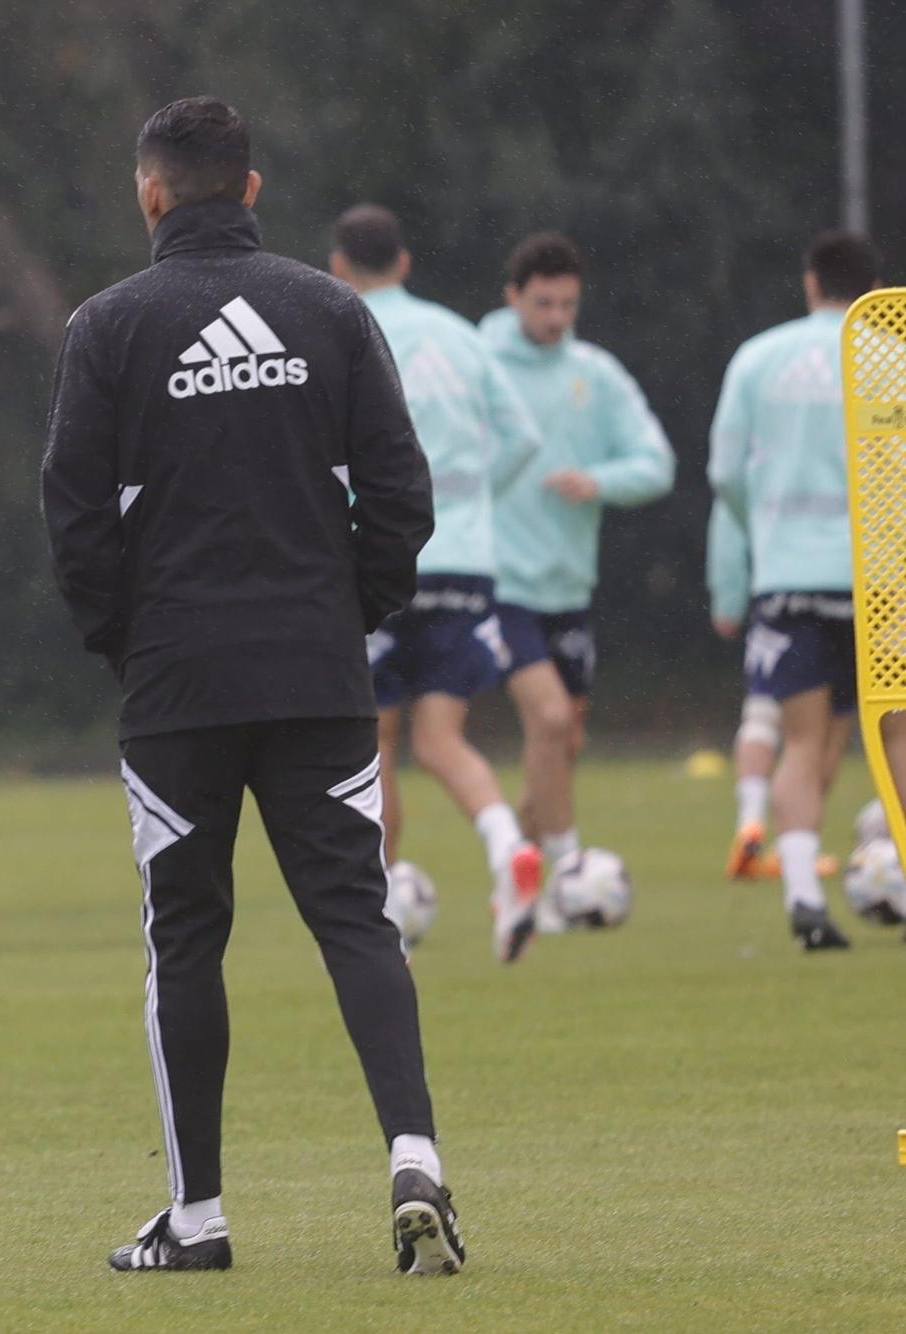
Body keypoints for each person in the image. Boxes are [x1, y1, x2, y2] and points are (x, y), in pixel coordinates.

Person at [44, 96, 462, 1277]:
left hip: (175, 685)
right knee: (355, 914)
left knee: (184, 937)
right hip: (318, 674)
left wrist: (125, 642)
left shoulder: (107, 326)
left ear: (150, 194)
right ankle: (412, 1152)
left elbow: (72, 519)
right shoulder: (329, 311)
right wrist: (348, 614)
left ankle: (197, 1219)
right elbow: (398, 495)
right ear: (255, 189)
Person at [329, 205, 546, 963]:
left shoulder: (341, 327)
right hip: (465, 561)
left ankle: (382, 898)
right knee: (443, 738)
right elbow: (524, 440)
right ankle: (507, 849)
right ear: (406, 261)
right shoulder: (462, 335)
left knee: (375, 736)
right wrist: (470, 500)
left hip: (380, 560)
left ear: (339, 266)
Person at [479, 234, 674, 890]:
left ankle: (518, 879)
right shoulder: (480, 363)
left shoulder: (597, 372)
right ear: (512, 298)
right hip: (500, 581)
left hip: (569, 586)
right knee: (552, 720)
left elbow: (656, 464)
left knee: (562, 745)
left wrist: (599, 480)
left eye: (568, 304)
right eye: (543, 303)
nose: (557, 317)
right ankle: (569, 875)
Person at [708, 229, 881, 950]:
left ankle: (806, 899)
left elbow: (725, 475)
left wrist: (767, 533)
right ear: (874, 290)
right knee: (893, 734)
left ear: (811, 282)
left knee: (805, 743)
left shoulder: (760, 356)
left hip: (790, 578)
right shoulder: (890, 352)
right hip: (880, 577)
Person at [707, 501, 846, 881]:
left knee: (762, 712)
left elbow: (729, 511)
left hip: (776, 591)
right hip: (844, 587)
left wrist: (728, 598)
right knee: (823, 731)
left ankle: (749, 821)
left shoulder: (765, 445)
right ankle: (798, 848)